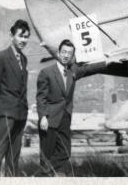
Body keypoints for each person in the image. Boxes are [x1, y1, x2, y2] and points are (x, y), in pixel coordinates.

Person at [36, 39, 104, 176]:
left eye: (69, 53)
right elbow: (40, 97)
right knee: (47, 154)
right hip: (49, 119)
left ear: (72, 56)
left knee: (65, 152)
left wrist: (108, 62)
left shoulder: (73, 71)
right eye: (64, 52)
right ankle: (43, 177)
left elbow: (89, 69)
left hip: (65, 118)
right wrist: (42, 116)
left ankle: (50, 174)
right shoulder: (46, 72)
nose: (66, 55)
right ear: (59, 53)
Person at [0, 19, 31, 177]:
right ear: (11, 35)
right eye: (20, 36)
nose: (23, 40)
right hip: (5, 111)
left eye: (26, 37)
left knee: (14, 154)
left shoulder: (24, 59)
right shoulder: (1, 57)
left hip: (20, 114)